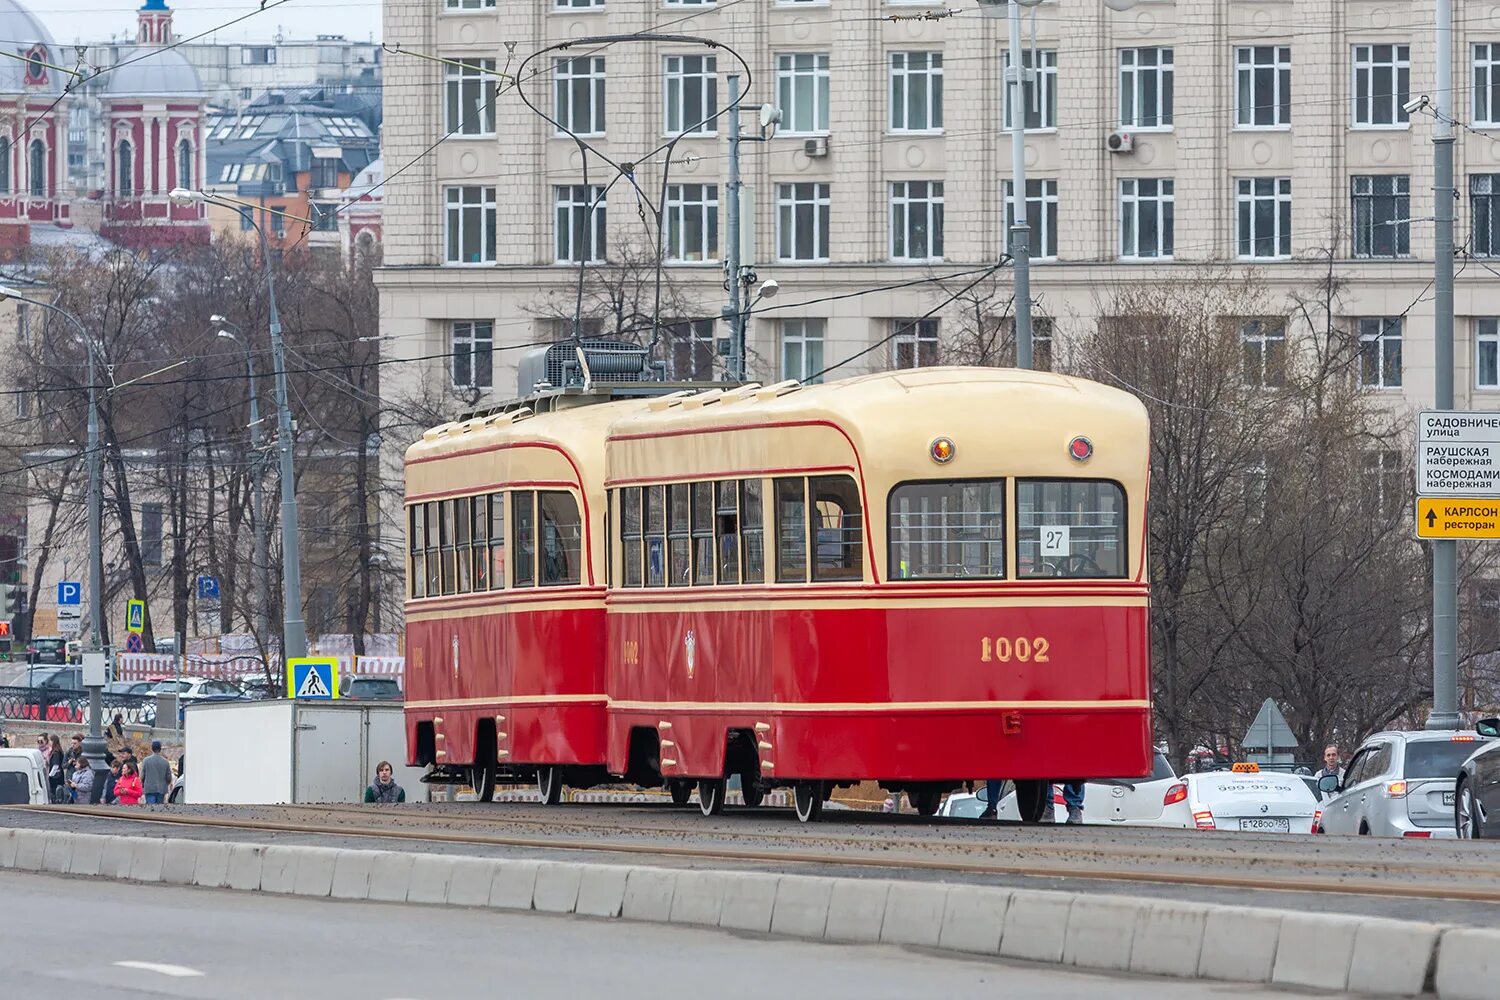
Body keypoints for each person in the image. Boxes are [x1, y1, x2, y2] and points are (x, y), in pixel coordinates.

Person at [140, 740, 172, 805]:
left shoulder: (146, 760)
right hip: (161, 789)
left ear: (152, 748)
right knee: (159, 809)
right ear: (160, 749)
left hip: (149, 788)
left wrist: (143, 783)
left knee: (150, 808)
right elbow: (168, 777)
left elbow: (142, 776)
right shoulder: (165, 762)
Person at [46, 735, 65, 803]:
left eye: (50, 741)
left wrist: (50, 775)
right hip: (59, 775)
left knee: (54, 792)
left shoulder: (56, 752)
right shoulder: (58, 751)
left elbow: (55, 766)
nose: (49, 743)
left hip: (55, 776)